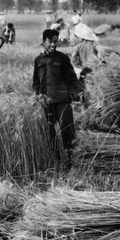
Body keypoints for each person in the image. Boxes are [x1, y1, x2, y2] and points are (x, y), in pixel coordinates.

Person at [33, 29, 81, 169]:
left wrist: (74, 93)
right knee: (49, 132)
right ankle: (55, 160)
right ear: (44, 42)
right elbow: (36, 81)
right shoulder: (38, 60)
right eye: (51, 42)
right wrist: (37, 95)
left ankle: (72, 161)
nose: (54, 45)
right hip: (46, 102)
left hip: (62, 101)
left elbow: (72, 77)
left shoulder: (62, 58)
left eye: (56, 42)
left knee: (67, 131)